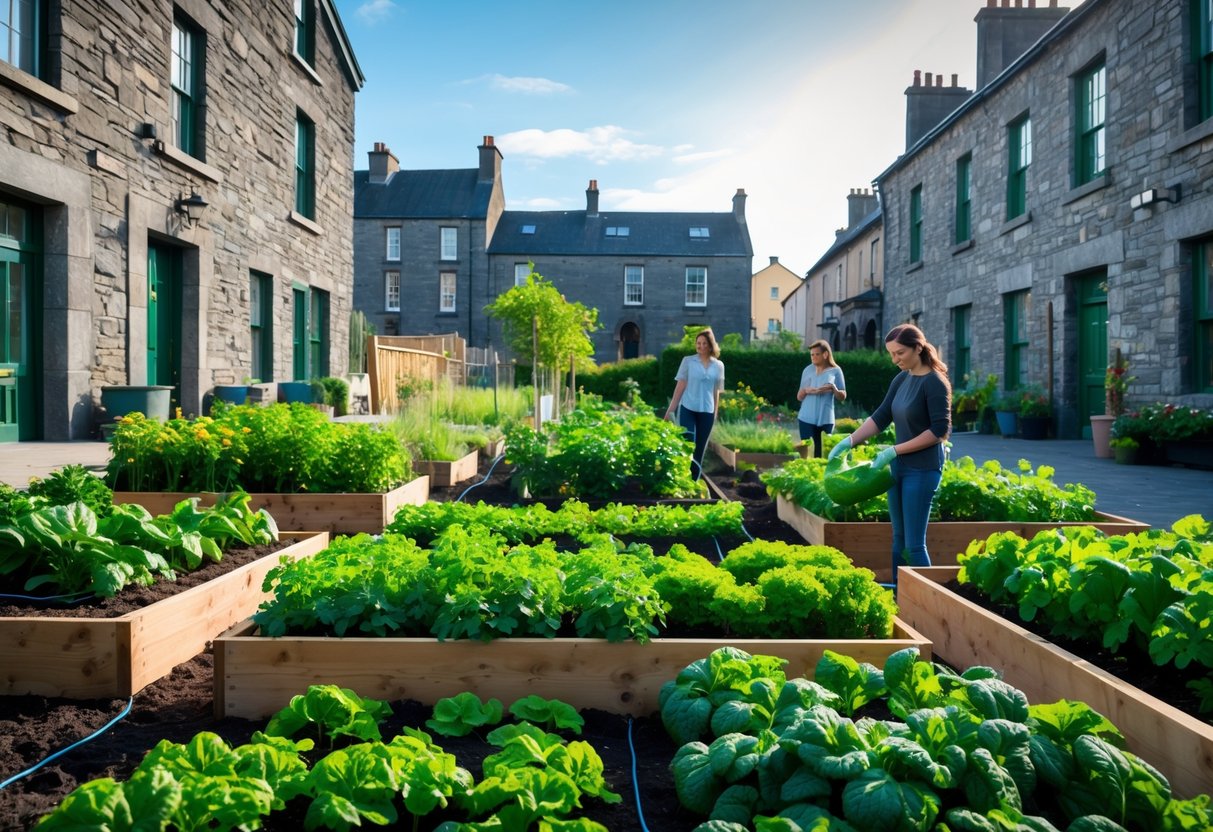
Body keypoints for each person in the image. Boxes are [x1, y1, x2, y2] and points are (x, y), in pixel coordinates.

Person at [828, 323, 951, 581]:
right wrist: (848, 442)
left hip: (922, 469)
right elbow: (881, 417)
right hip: (898, 467)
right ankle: (899, 596)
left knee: (915, 545)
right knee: (898, 539)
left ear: (918, 348)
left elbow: (939, 430)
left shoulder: (935, 383)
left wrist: (894, 450)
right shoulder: (901, 379)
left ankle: (926, 601)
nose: (895, 360)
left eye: (900, 353)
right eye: (891, 354)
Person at [665, 328, 724, 480]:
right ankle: (682, 477)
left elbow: (716, 391)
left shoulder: (718, 366)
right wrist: (670, 410)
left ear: (710, 346)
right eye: (698, 343)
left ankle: (694, 482)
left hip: (707, 411)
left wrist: (715, 413)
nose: (701, 346)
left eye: (704, 343)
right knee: (688, 443)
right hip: (688, 409)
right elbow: (679, 388)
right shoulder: (688, 361)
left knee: (699, 450)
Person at [796, 339, 847, 457]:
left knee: (822, 454)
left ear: (825, 354)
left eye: (816, 354)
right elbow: (799, 396)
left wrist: (834, 389)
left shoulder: (836, 371)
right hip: (806, 418)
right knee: (806, 453)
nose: (813, 357)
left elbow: (843, 396)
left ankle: (820, 475)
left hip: (826, 419)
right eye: (811, 355)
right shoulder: (807, 370)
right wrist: (806, 390)